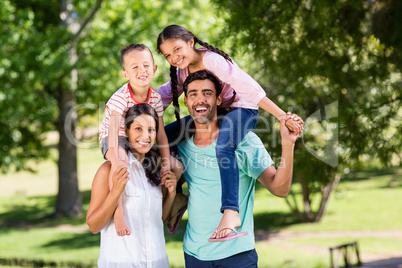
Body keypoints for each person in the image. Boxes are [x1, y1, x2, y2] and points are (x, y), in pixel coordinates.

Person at [157, 24, 303, 240]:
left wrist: (282, 116)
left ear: (190, 42)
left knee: (224, 144)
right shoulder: (183, 71)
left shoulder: (212, 61)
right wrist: (130, 113)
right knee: (161, 137)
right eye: (168, 55)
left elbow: (250, 88)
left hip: (242, 110)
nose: (174, 57)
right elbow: (161, 98)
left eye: (177, 49)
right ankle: (177, 192)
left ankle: (231, 212)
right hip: (218, 111)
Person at [175, 70, 298, 266]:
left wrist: (288, 144)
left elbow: (280, 189)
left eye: (207, 93)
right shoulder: (182, 146)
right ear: (186, 102)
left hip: (236, 255)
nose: (200, 99)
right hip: (194, 254)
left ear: (218, 99)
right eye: (193, 94)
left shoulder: (243, 141)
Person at [87, 103, 181, 267]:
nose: (146, 136)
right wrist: (115, 192)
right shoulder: (108, 170)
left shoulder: (156, 171)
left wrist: (171, 193)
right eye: (138, 128)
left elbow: (157, 220)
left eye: (151, 130)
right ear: (126, 132)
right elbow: (94, 225)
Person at [98, 44, 175, 236]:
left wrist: (165, 164)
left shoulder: (155, 98)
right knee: (120, 163)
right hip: (115, 136)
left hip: (141, 137)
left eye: (146, 65)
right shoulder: (120, 99)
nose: (142, 70)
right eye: (135, 67)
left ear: (154, 69)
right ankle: (118, 211)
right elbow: (114, 136)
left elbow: (161, 134)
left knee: (176, 166)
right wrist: (116, 159)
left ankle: (172, 201)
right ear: (125, 74)